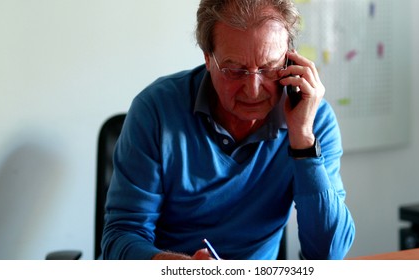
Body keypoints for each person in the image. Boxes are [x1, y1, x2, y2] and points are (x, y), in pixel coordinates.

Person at [101, 0, 355, 260]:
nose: (253, 90)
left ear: (290, 57)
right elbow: (119, 239)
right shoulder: (155, 111)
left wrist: (302, 140)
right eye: (235, 70)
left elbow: (328, 255)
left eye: (269, 68)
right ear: (208, 58)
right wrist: (172, 266)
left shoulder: (312, 118)